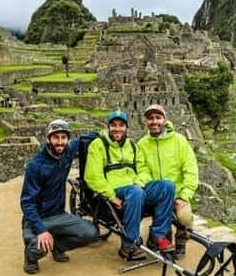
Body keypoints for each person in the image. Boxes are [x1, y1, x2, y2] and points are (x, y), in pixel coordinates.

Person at [85, 110, 175, 261]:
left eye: (121, 125)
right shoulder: (98, 145)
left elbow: (143, 170)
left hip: (135, 186)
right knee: (135, 193)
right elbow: (93, 176)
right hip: (115, 188)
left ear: (126, 128)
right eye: (113, 125)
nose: (117, 129)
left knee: (167, 186)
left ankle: (158, 235)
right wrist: (111, 196)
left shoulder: (133, 146)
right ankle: (129, 244)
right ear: (108, 127)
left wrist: (139, 183)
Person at [20, 119, 99, 274]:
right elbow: (27, 202)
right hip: (37, 218)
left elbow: (87, 137)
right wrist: (41, 230)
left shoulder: (68, 151)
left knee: (91, 233)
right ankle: (30, 256)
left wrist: (105, 135)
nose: (60, 142)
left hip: (58, 214)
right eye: (56, 137)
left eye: (63, 137)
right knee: (39, 246)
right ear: (48, 139)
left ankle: (58, 246)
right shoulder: (36, 166)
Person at [137, 104, 199, 260]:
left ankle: (180, 242)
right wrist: (158, 189)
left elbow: (190, 169)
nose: (154, 121)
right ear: (146, 122)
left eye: (158, 117)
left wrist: (184, 196)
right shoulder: (142, 144)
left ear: (165, 119)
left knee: (184, 218)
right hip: (157, 192)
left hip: (178, 193)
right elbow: (141, 169)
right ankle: (159, 238)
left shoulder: (179, 141)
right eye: (150, 118)